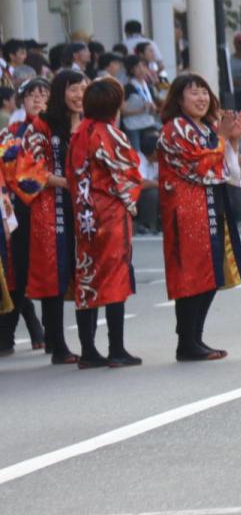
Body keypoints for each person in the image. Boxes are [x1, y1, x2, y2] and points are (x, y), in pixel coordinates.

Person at [158, 74, 241, 362]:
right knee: (192, 275)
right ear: (179, 99)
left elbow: (228, 168)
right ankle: (187, 340)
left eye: (204, 92)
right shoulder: (174, 129)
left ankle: (194, 338)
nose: (201, 98)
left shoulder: (207, 127)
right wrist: (224, 139)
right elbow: (199, 165)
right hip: (187, 210)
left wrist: (231, 140)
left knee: (212, 272)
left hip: (212, 205)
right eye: (193, 93)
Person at [67, 78, 143, 368]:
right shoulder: (111, 134)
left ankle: (88, 351)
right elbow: (128, 174)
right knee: (115, 280)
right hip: (110, 216)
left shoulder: (79, 134)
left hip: (84, 214)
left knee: (87, 278)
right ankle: (116, 349)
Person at [19, 70, 89, 364]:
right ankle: (57, 343)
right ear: (61, 91)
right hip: (52, 208)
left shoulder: (89, 125)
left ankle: (90, 345)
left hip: (83, 208)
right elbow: (27, 170)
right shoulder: (41, 126)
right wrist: (66, 182)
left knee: (85, 271)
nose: (79, 95)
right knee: (54, 275)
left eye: (84, 89)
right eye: (73, 89)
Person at [0, 80, 48, 355]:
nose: (37, 99)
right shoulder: (13, 133)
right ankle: (15, 329)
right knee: (17, 269)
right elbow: (8, 169)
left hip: (52, 207)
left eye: (43, 94)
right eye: (31, 95)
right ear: (21, 101)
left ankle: (46, 332)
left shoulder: (58, 130)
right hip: (20, 208)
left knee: (50, 271)